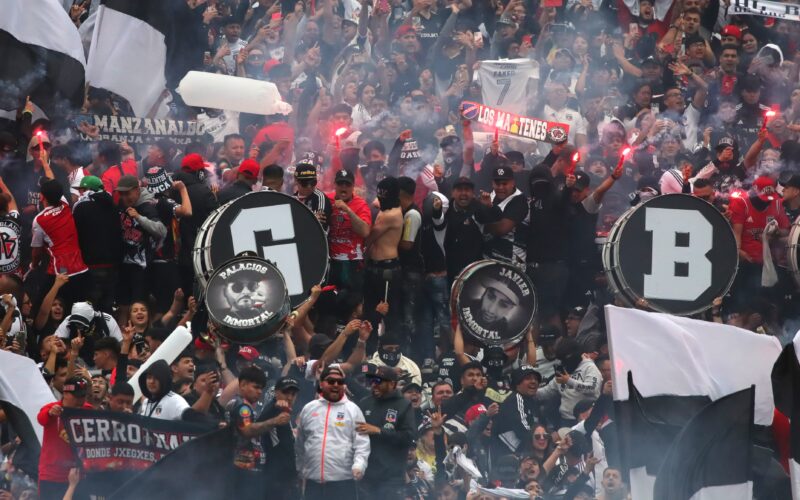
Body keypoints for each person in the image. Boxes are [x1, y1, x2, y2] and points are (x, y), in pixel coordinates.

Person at [295, 365, 371, 500]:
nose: (336, 385)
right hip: (313, 484)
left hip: (343, 484)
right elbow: (300, 443)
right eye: (331, 381)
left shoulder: (353, 410)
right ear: (321, 383)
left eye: (340, 382)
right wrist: (300, 470)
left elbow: (362, 444)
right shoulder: (308, 409)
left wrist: (359, 465)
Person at [230, 366, 290, 500]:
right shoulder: (242, 407)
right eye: (256, 387)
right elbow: (247, 430)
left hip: (251, 470)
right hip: (244, 471)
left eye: (261, 388)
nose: (259, 392)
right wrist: (274, 421)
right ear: (243, 385)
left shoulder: (248, 407)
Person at [357, 365, 416, 500]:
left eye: (379, 381)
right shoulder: (364, 403)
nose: (374, 384)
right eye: (373, 381)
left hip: (391, 479)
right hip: (365, 477)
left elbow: (408, 437)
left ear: (392, 384)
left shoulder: (404, 405)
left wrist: (379, 431)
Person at [31, 180, 89, 304]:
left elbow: (37, 251)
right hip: (81, 268)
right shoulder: (65, 205)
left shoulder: (39, 220)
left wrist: (33, 266)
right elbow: (55, 187)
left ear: (41, 197)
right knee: (78, 306)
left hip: (61, 270)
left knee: (43, 302)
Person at [72, 175, 122, 313]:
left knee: (89, 307)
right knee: (107, 308)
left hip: (91, 265)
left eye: (81, 190)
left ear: (87, 189)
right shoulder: (113, 206)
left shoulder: (81, 207)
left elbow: (75, 235)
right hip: (112, 266)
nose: (80, 194)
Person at [363, 176, 403, 346]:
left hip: (387, 269)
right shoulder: (386, 207)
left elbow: (369, 237)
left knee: (387, 313)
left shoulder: (392, 215)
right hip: (374, 266)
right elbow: (376, 203)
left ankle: (391, 349)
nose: (380, 200)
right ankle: (369, 349)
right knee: (370, 310)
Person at [37, 377, 92, 500]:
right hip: (52, 476)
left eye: (83, 396)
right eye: (77, 396)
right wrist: (50, 413)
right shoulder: (51, 408)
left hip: (77, 475)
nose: (80, 400)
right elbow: (41, 419)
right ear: (65, 393)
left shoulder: (87, 410)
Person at [327, 169, 372, 311]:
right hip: (331, 262)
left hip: (352, 262)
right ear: (335, 184)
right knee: (330, 302)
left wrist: (348, 210)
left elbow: (365, 231)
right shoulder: (326, 200)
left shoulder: (361, 205)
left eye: (347, 184)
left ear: (353, 187)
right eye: (340, 184)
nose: (343, 187)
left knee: (352, 303)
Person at [258, 376, 301, 500]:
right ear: (276, 392)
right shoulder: (273, 408)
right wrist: (275, 407)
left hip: (287, 477)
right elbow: (257, 425)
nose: (289, 397)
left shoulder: (288, 412)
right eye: (285, 392)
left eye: (293, 394)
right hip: (275, 478)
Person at [492, 365, 541, 456]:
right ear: (517, 383)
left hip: (522, 450)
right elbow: (522, 429)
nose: (534, 381)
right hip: (506, 455)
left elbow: (541, 425)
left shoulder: (532, 400)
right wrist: (543, 439)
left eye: (535, 379)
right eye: (528, 378)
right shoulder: (516, 398)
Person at [293, 160, 332, 231]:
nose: (309, 186)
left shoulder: (320, 198)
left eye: (313, 182)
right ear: (296, 180)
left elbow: (320, 228)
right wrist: (312, 219)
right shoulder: (292, 199)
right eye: (304, 183)